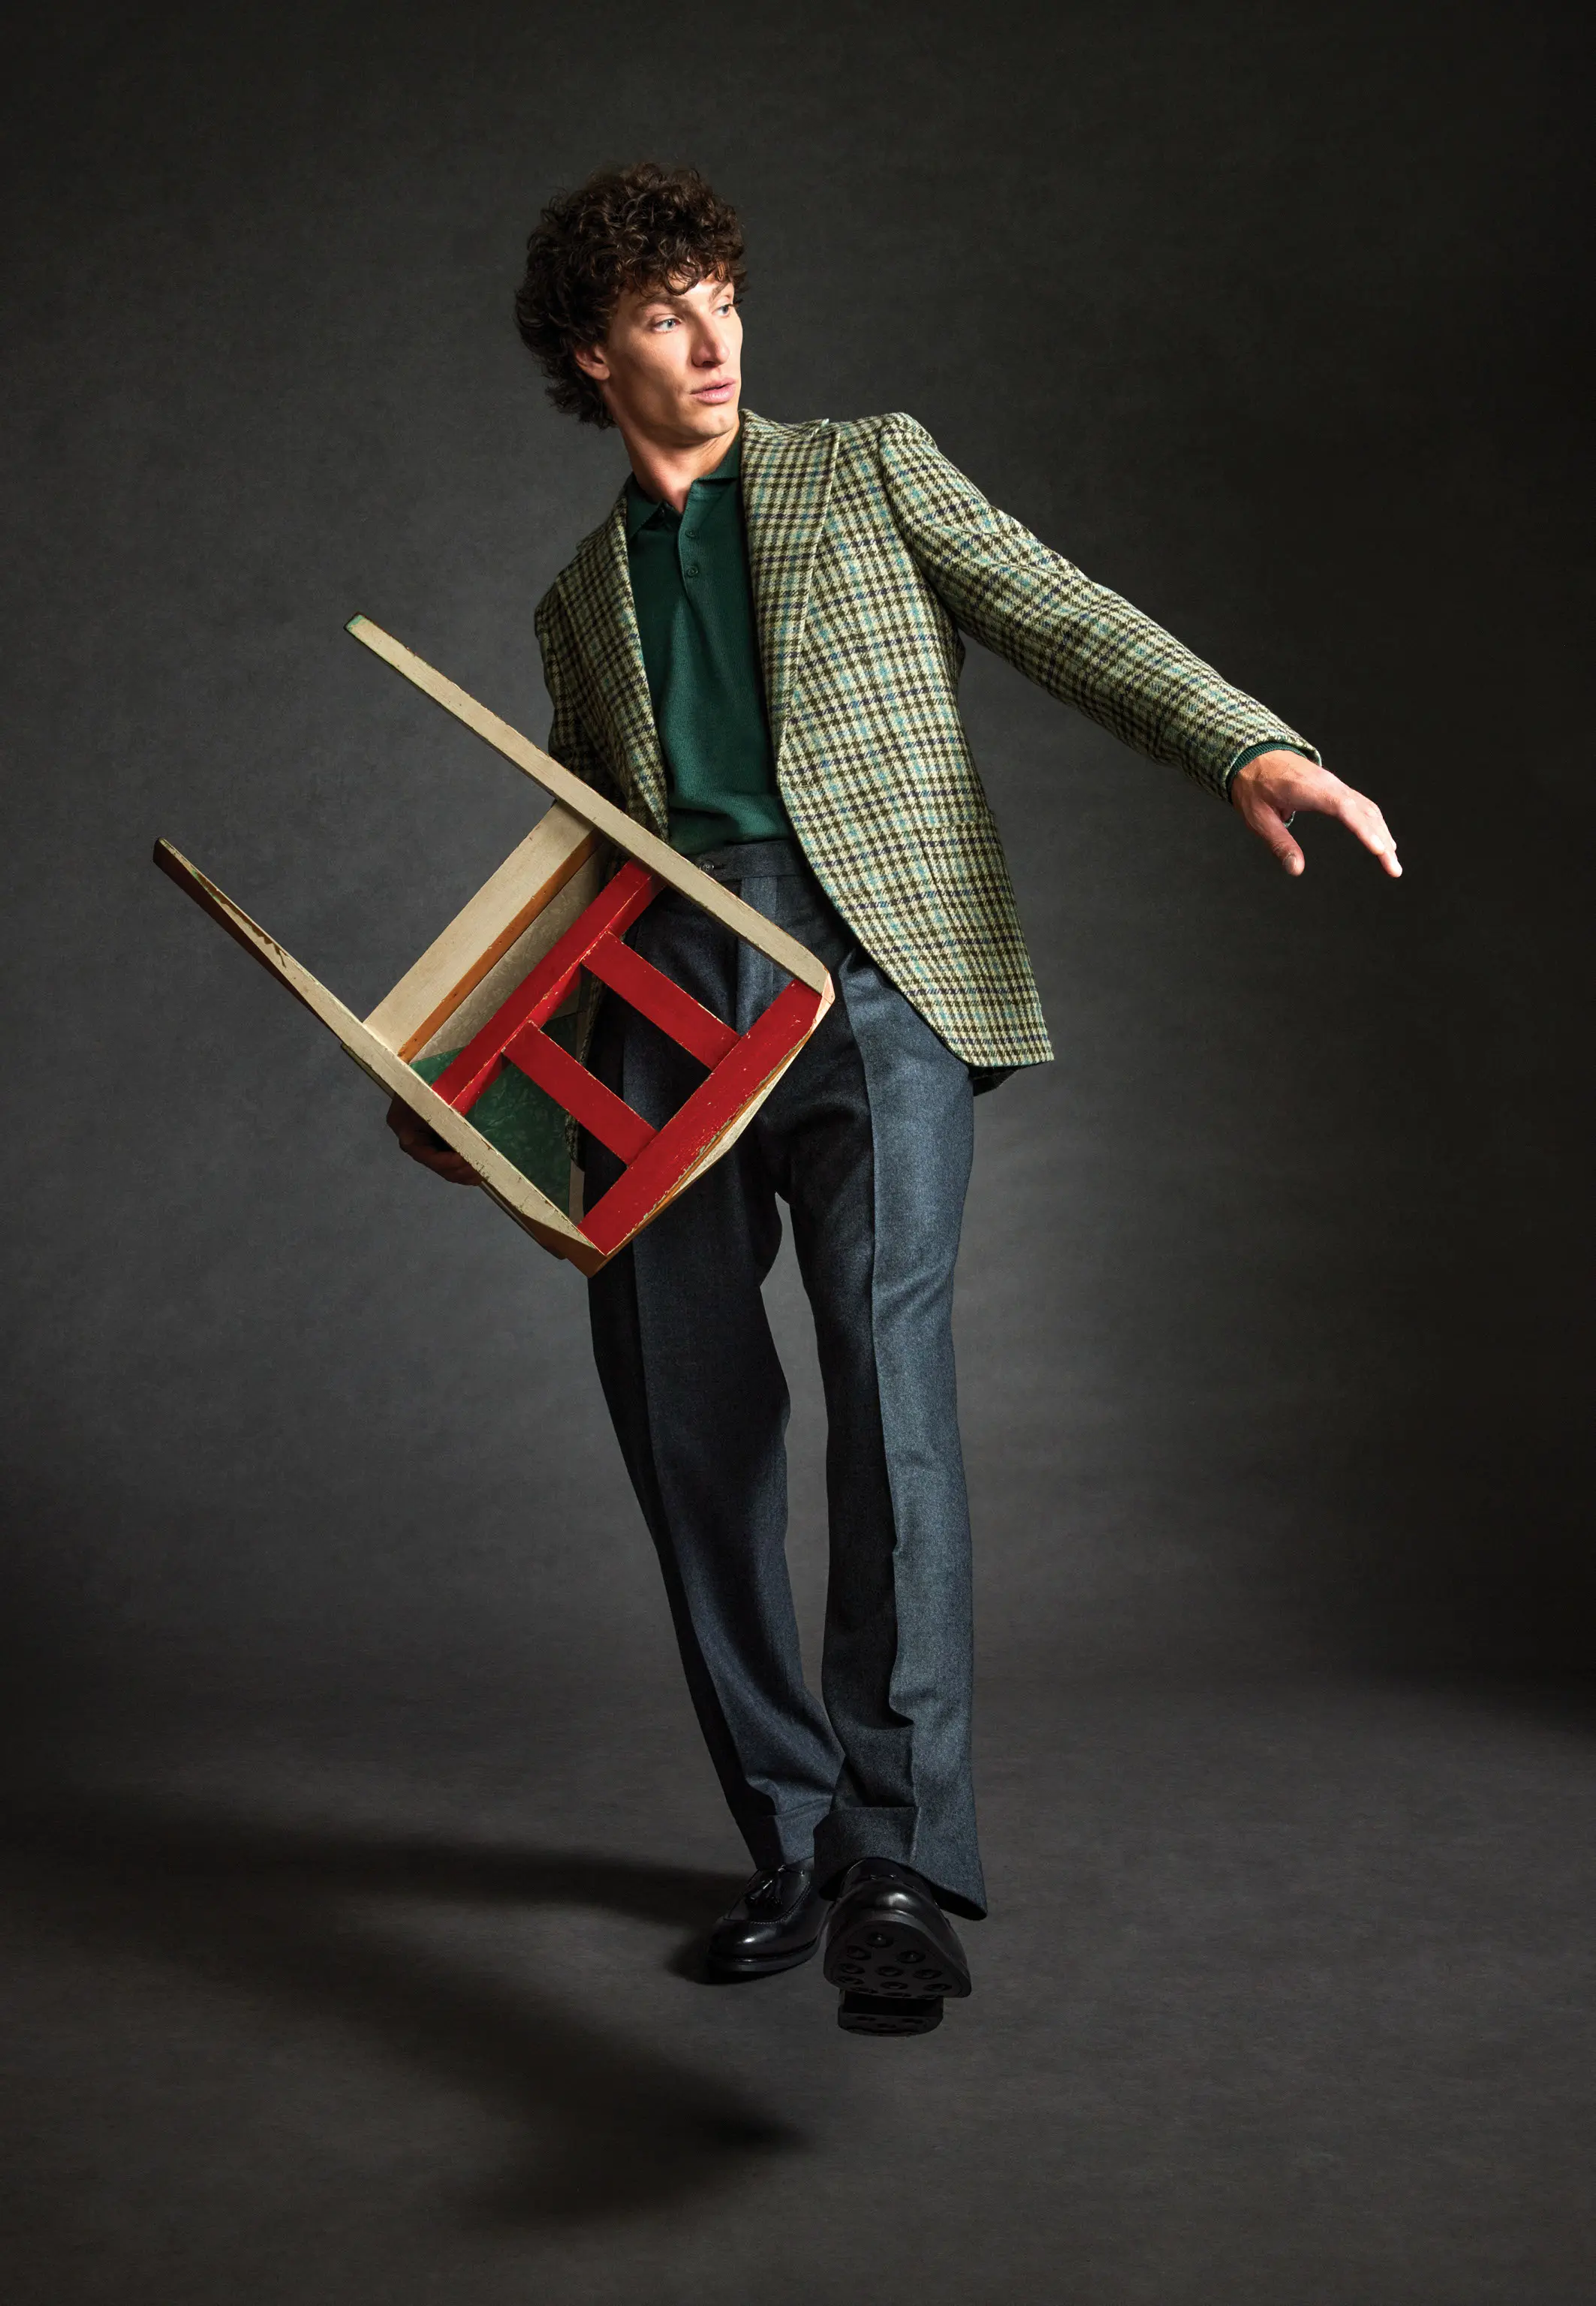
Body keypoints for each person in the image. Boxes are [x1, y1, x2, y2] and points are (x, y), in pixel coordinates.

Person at [387, 161, 1400, 2038]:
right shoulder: (576, 601)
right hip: (662, 1008)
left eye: (723, 299)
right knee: (682, 1418)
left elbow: (1057, 609)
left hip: (869, 976)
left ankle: (901, 1865)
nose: (711, 342)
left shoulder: (868, 469)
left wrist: (1247, 747)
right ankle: (789, 1840)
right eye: (664, 315)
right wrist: (482, 1090)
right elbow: (580, 861)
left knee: (887, 1388)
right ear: (591, 352)